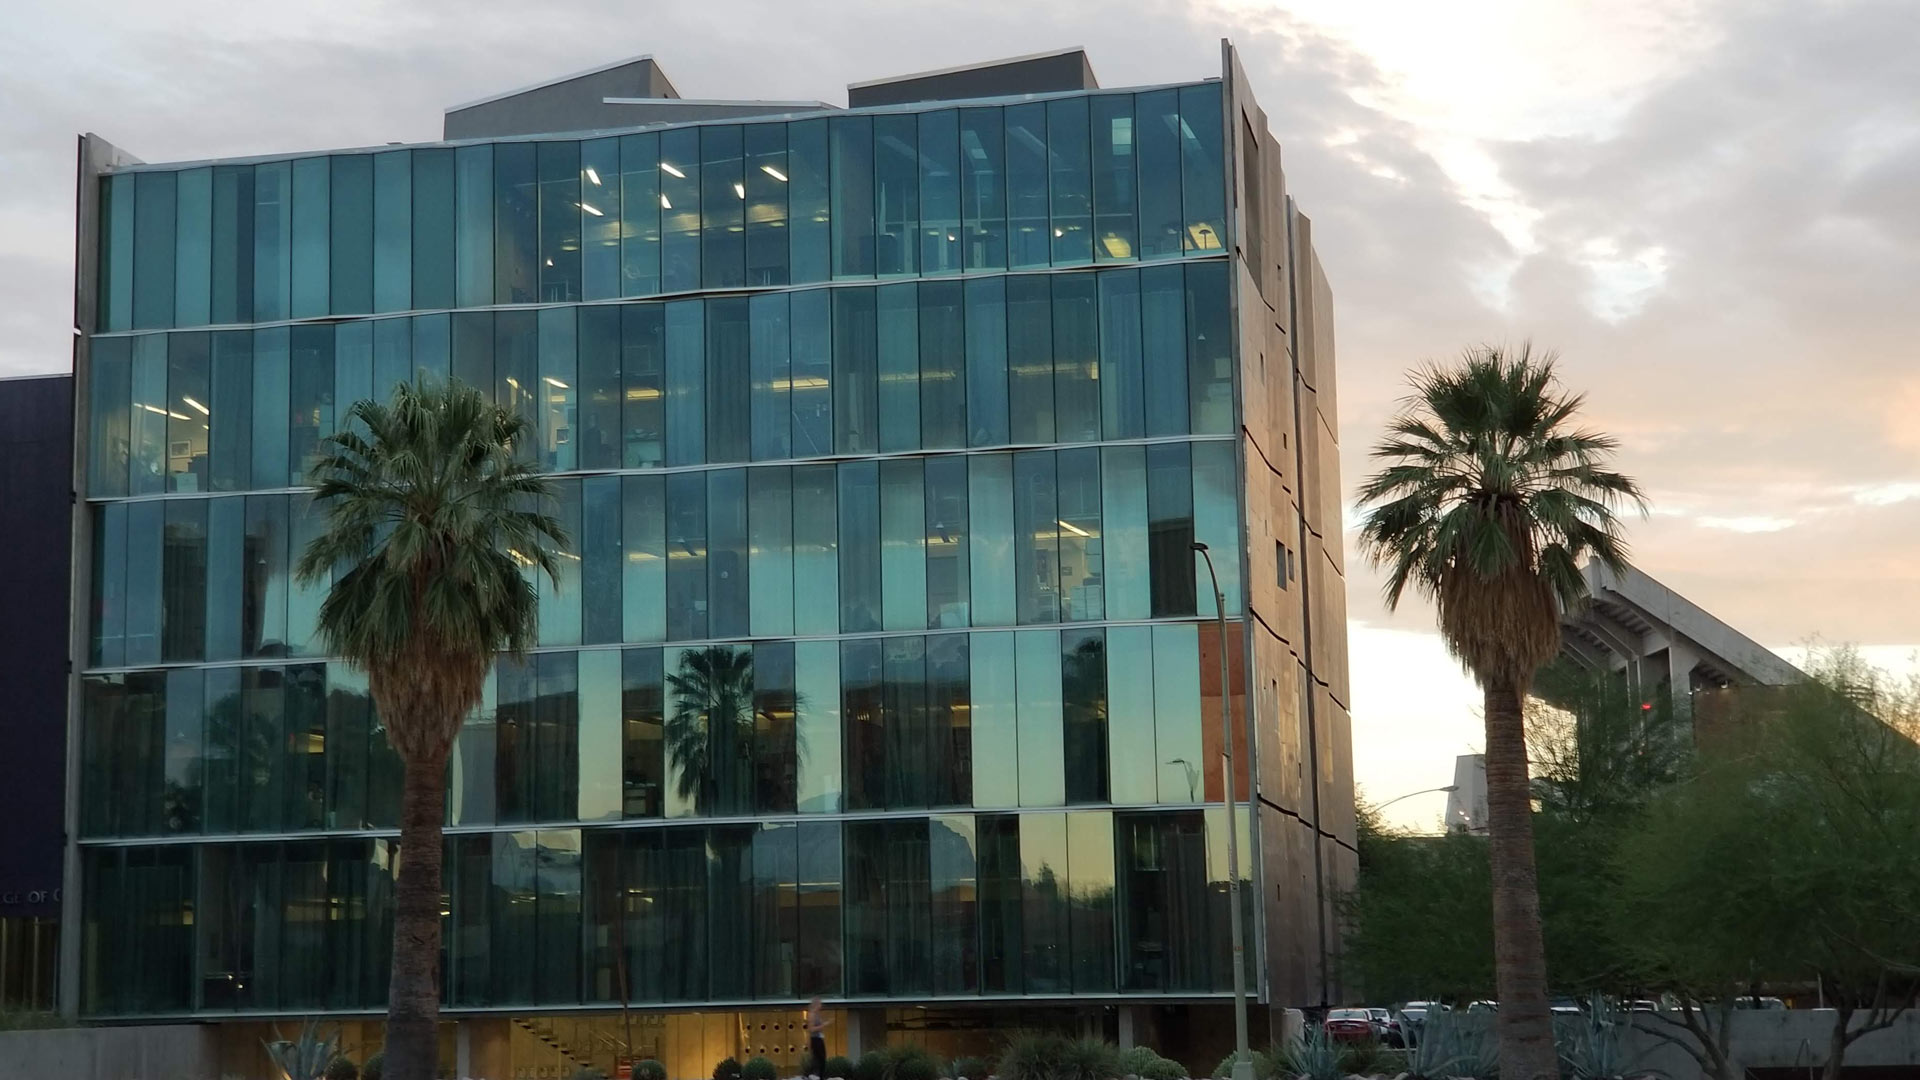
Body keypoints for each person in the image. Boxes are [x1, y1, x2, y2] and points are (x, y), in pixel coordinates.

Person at [807, 996, 831, 1079]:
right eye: (820, 1004)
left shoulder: (817, 1014)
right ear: (816, 1004)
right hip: (815, 1039)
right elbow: (811, 1029)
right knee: (820, 1058)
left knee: (821, 1058)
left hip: (819, 1038)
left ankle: (819, 1075)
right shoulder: (812, 1015)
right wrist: (823, 1025)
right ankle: (816, 1075)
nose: (821, 1005)